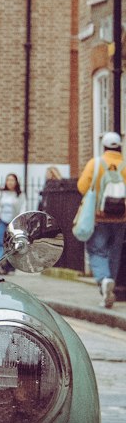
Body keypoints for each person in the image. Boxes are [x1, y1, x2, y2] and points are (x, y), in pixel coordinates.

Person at [77, 132, 126, 308]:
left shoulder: (95, 164)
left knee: (97, 250)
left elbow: (82, 187)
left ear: (104, 146)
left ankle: (105, 281)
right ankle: (109, 284)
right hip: (121, 219)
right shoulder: (125, 165)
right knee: (114, 253)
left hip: (98, 217)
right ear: (119, 147)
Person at [0, 172, 25, 264]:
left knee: (11, 245)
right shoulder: (1, 193)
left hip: (14, 223)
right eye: (8, 180)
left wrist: (20, 223)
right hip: (2, 221)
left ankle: (7, 265)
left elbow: (22, 209)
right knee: (0, 243)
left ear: (16, 182)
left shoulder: (20, 195)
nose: (10, 182)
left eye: (12, 180)